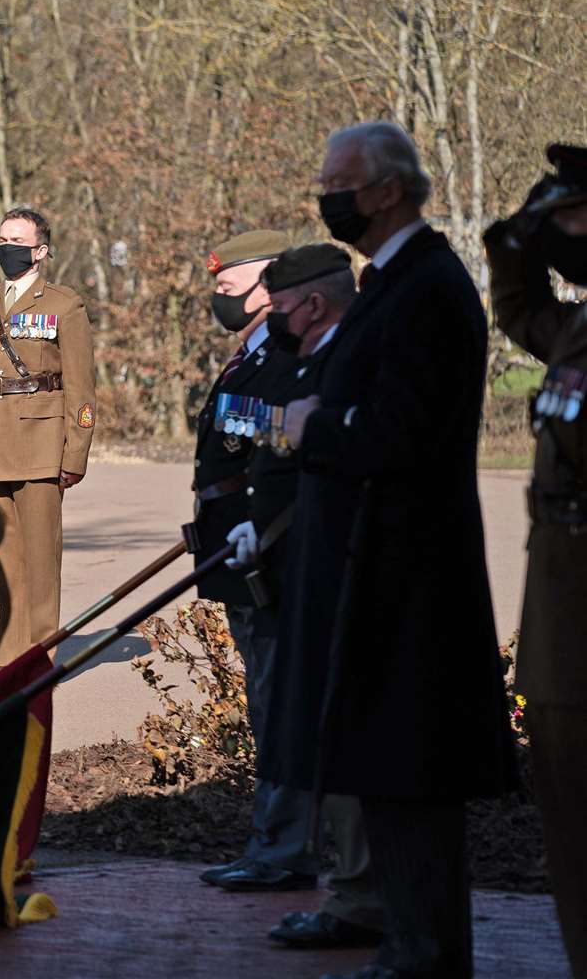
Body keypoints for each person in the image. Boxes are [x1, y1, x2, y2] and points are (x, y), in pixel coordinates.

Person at [276, 122, 514, 979]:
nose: (325, 193)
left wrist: (316, 425)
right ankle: (413, 945)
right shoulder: (399, 280)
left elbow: (402, 434)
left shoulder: (427, 288)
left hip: (406, 577)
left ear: (385, 191)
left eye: (336, 180)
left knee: (411, 778)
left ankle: (425, 954)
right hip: (375, 569)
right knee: (388, 772)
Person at [220, 245, 388, 949]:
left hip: (324, 566)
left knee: (331, 729)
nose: (270, 316)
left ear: (310, 305)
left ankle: (353, 890)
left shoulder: (341, 360)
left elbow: (326, 457)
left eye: (280, 306)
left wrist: (271, 527)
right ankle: (350, 888)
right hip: (291, 554)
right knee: (300, 717)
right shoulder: (294, 357)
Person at [185, 229, 312, 893]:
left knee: (277, 701)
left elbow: (273, 454)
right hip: (236, 549)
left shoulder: (287, 359)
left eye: (229, 288)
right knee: (266, 701)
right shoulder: (250, 355)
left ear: (269, 285)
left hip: (271, 554)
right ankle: (275, 840)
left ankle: (283, 847)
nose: (220, 299)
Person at [487, 142, 587, 976]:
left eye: (572, 217)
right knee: (567, 814)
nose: (559, 232)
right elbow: (521, 310)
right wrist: (515, 237)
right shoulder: (580, 326)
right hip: (563, 617)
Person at [0, 208, 96, 686]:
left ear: (40, 250)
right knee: (2, 559)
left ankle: (39, 656)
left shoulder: (64, 304)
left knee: (40, 559)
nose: (6, 248)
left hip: (41, 441)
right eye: (2, 238)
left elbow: (82, 387)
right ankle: (7, 655)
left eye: (16, 240)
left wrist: (74, 453)